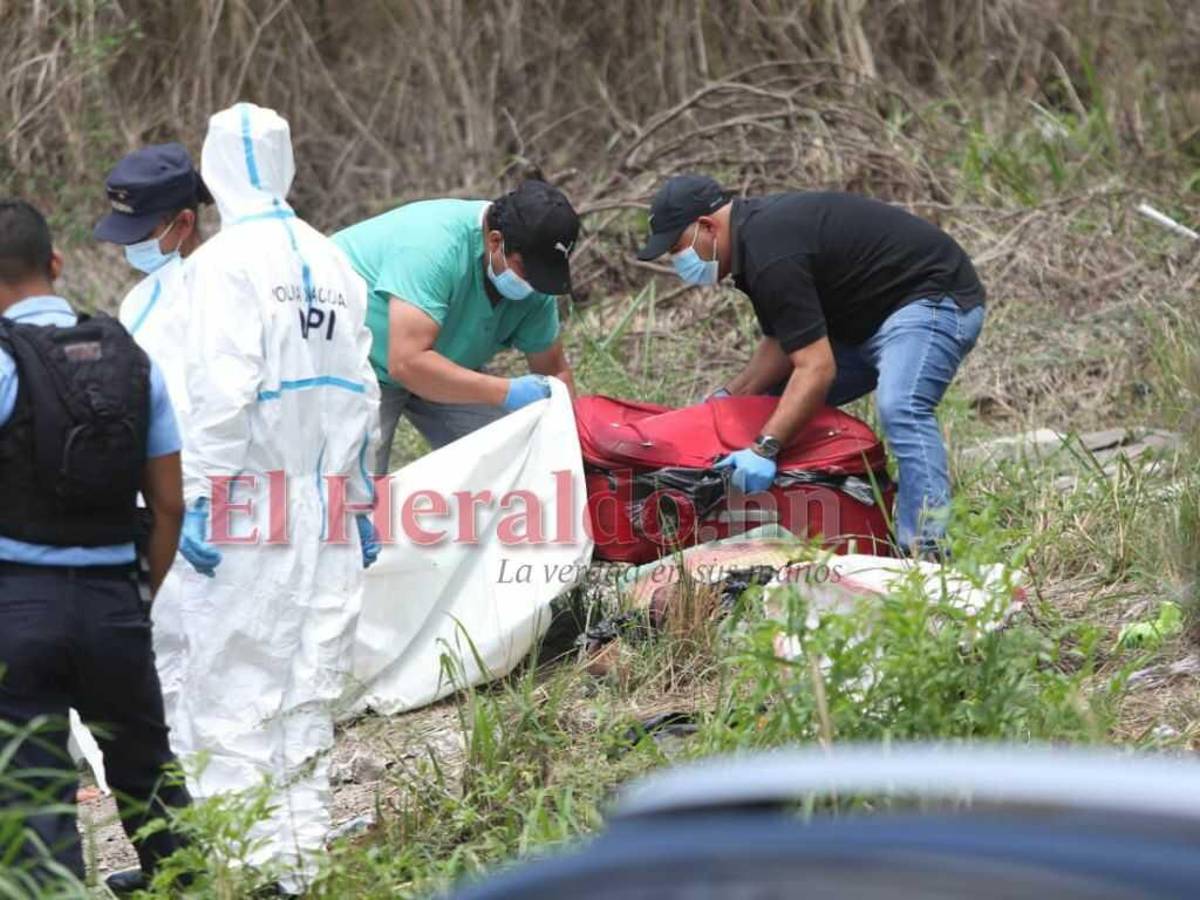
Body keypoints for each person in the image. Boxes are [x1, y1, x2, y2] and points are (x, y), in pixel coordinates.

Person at [170, 102, 380, 893]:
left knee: (231, 690)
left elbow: (224, 395)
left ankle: (247, 869)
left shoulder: (222, 265)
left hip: (247, 504)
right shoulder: (333, 261)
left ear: (215, 169)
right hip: (322, 503)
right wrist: (358, 495)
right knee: (308, 688)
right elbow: (360, 387)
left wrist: (197, 498)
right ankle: (301, 861)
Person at [637, 174, 986, 557]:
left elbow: (816, 369)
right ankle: (791, 527)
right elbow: (782, 344)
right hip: (863, 323)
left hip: (933, 299)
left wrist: (766, 447)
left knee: (900, 405)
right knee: (766, 406)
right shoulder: (754, 247)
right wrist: (726, 402)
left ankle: (927, 551)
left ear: (706, 226)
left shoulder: (770, 250)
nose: (678, 262)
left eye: (677, 247)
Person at [0, 199, 190, 890]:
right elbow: (169, 503)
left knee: (34, 798)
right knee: (149, 778)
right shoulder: (129, 356)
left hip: (17, 611)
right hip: (117, 604)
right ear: (55, 264)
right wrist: (139, 592)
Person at [333, 179, 580, 473]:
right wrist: (505, 392)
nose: (533, 284)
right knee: (354, 493)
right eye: (527, 271)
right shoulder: (433, 246)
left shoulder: (536, 287)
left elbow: (554, 372)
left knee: (520, 457)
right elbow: (407, 363)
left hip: (437, 360)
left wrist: (578, 447)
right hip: (356, 359)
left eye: (545, 275)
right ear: (495, 242)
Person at [93, 142, 212, 736]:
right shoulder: (138, 300)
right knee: (165, 650)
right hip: (153, 504)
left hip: (219, 501)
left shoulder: (222, 289)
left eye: (139, 232)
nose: (126, 247)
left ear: (183, 223)